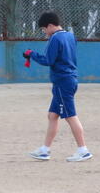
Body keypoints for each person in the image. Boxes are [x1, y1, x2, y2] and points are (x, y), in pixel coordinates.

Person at [23, 12, 91, 162]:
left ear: (50, 26)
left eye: (44, 29)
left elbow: (48, 60)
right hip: (69, 79)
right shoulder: (70, 36)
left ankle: (83, 150)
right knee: (52, 115)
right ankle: (45, 150)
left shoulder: (55, 38)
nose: (44, 32)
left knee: (70, 115)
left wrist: (31, 54)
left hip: (62, 81)